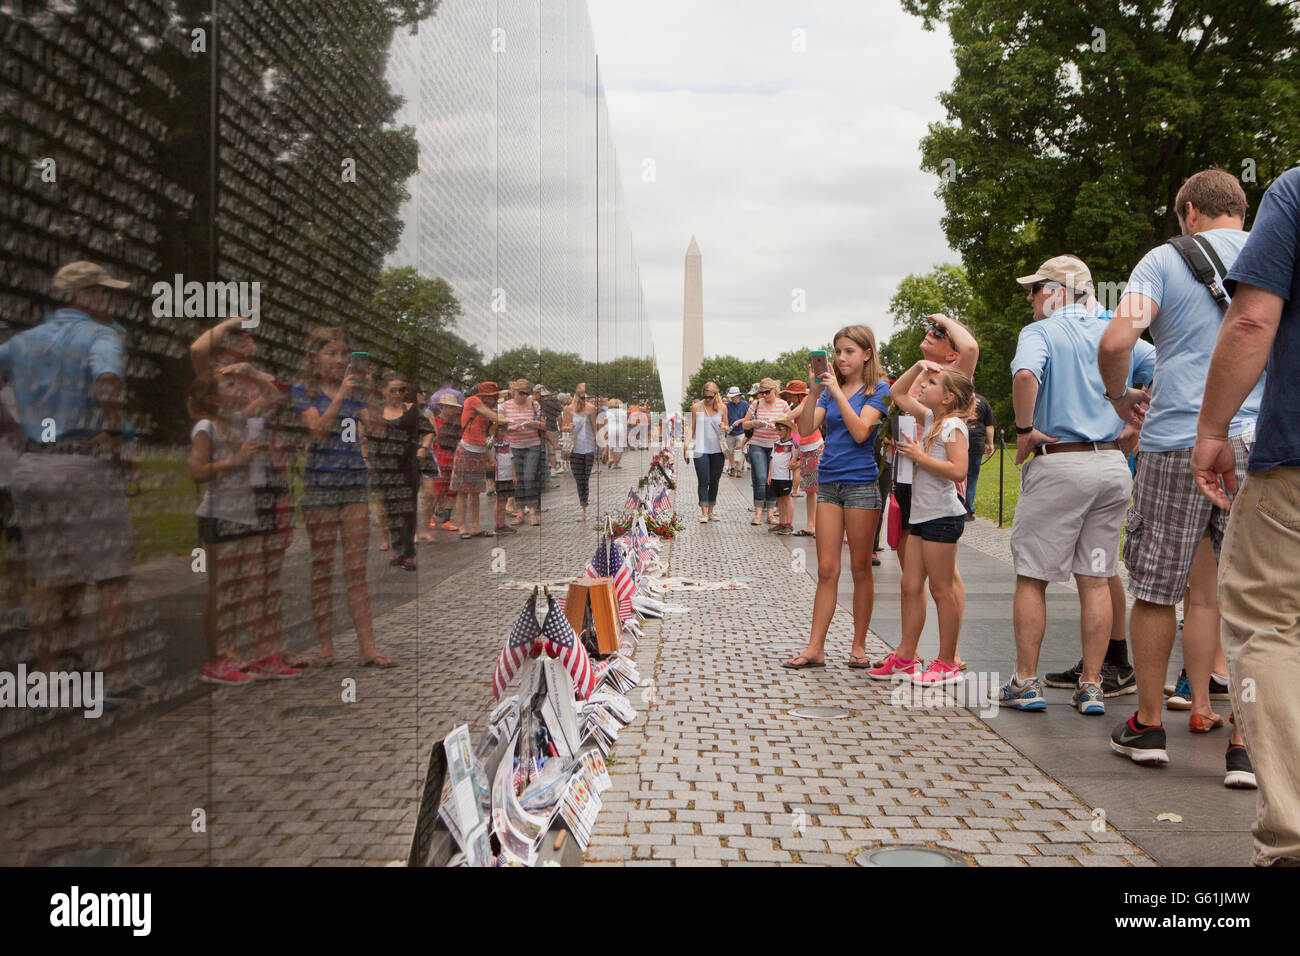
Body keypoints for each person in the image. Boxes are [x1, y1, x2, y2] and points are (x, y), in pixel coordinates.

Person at [1099, 169, 1259, 776]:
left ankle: (1147, 726)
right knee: (1252, 597)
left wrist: (1120, 398)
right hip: (1259, 444)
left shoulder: (1162, 262)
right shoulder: (1280, 252)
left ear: (1189, 212)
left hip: (1174, 442)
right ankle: (1246, 744)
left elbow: (1118, 341)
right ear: (1240, 211)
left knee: (1158, 588)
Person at [1192, 164, 1300, 864]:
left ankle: (1292, 829)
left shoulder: (1293, 191)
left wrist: (1212, 431)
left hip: (1294, 462)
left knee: (1267, 621)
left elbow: (1254, 316)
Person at [996, 256, 1150, 714]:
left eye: (1035, 288)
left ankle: (1025, 681)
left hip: (1060, 464)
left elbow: (1025, 375)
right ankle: (1091, 686)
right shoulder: (1110, 329)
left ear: (1057, 291)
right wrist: (1136, 421)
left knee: (1033, 576)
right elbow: (1162, 364)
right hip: (1110, 468)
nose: (1029, 297)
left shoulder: (1040, 332)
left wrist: (1024, 431)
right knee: (1098, 578)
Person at [1, 262, 135, 697]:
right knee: (111, 575)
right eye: (106, 292)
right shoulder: (100, 336)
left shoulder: (24, 341)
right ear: (84, 297)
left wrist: (10, 428)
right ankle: (115, 677)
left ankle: (48, 679)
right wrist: (114, 436)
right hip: (82, 462)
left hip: (32, 464)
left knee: (49, 577)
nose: (113, 301)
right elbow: (109, 379)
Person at [784, 326, 889, 669]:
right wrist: (814, 392)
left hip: (860, 484)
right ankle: (815, 647)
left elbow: (861, 431)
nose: (841, 358)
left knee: (860, 568)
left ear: (867, 354)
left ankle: (858, 647)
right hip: (828, 482)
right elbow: (804, 429)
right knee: (827, 569)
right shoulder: (829, 391)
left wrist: (837, 393)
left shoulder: (880, 390)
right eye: (837, 352)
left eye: (849, 351)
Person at [290, 326, 395, 667]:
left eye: (342, 355)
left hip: (353, 484)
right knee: (322, 567)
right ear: (314, 357)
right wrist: (340, 396)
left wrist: (368, 394)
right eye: (330, 354)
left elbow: (378, 429)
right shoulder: (303, 390)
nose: (338, 361)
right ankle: (325, 647)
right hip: (321, 485)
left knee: (355, 570)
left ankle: (368, 647)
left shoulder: (355, 393)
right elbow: (317, 430)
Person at [869, 361, 972, 685]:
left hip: (943, 517)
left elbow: (959, 470)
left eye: (932, 383)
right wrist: (917, 367)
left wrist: (919, 456)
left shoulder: (953, 425)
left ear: (948, 397)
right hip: (922, 517)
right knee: (910, 585)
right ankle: (904, 660)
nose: (924, 386)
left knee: (942, 590)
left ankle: (946, 663)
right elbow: (898, 393)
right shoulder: (930, 418)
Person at [370, 370, 424, 571]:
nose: (398, 393)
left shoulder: (412, 410)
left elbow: (429, 432)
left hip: (407, 463)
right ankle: (398, 551)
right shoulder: (375, 412)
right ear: (383, 391)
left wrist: (423, 448)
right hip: (385, 466)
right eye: (394, 390)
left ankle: (409, 553)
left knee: (408, 509)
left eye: (402, 390)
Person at [450, 381, 507, 538]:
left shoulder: (488, 408)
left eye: (494, 396)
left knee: (475, 492)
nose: (493, 399)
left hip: (479, 451)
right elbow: (491, 416)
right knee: (462, 491)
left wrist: (489, 457)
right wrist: (503, 418)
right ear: (483, 396)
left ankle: (475, 527)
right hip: (466, 449)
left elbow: (485, 437)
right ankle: (462, 528)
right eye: (491, 396)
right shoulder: (473, 401)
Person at [741, 378, 790, 526]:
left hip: (776, 446)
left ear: (774, 390)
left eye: (767, 392)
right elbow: (744, 423)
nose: (764, 395)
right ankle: (757, 514)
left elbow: (790, 424)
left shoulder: (783, 405)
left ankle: (770, 513)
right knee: (761, 478)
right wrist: (754, 423)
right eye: (761, 393)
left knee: (772, 480)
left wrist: (779, 426)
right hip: (757, 444)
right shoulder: (755, 404)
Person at [502, 379, 546, 527]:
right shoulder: (505, 406)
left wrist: (533, 424)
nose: (524, 396)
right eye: (521, 393)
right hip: (514, 445)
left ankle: (533, 513)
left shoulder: (534, 404)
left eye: (527, 393)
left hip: (532, 444)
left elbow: (544, 424)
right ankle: (520, 512)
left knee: (529, 478)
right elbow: (501, 427)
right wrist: (511, 427)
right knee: (519, 480)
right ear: (514, 391)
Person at [684, 381, 727, 522]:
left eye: (710, 397)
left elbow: (727, 427)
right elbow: (691, 427)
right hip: (700, 449)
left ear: (716, 395)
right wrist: (686, 445)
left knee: (715, 481)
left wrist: (724, 427)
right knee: (704, 480)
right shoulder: (696, 407)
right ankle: (703, 511)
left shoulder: (722, 408)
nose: (708, 399)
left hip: (717, 449)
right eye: (705, 396)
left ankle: (711, 510)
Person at [787, 381, 822, 536]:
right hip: (807, 448)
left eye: (791, 394)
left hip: (814, 447)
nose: (789, 397)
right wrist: (796, 456)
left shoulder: (807, 399)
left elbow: (794, 413)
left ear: (798, 394)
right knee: (810, 490)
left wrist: (781, 418)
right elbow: (801, 435)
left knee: (818, 490)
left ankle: (818, 526)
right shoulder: (802, 402)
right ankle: (811, 525)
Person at [563, 383, 599, 521]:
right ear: (577, 394)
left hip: (589, 448)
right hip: (575, 448)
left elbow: (595, 428)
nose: (585, 399)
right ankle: (582, 505)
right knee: (579, 478)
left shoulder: (591, 409)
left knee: (585, 477)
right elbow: (564, 427)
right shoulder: (568, 409)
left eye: (587, 397)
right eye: (582, 396)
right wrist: (568, 427)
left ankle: (584, 506)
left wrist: (600, 445)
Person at [429, 394, 462, 537]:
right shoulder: (434, 421)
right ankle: (429, 517)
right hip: (439, 459)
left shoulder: (457, 423)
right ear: (442, 407)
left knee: (451, 491)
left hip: (454, 460)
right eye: (448, 406)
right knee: (436, 491)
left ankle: (446, 520)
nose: (451, 410)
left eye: (453, 407)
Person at [964, 391, 996, 519]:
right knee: (972, 477)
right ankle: (968, 510)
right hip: (976, 443)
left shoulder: (953, 396)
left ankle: (957, 508)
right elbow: (989, 425)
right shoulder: (983, 400)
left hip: (958, 441)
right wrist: (990, 443)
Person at [766, 417, 797, 534]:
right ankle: (782, 522)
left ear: (788, 429)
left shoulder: (793, 444)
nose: (777, 432)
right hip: (775, 476)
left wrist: (794, 465)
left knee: (786, 499)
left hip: (785, 476)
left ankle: (789, 524)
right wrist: (769, 474)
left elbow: (798, 459)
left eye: (780, 429)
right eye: (776, 429)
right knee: (779, 499)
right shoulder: (777, 443)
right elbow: (772, 459)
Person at [724, 386, 749, 476]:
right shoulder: (728, 406)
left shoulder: (745, 404)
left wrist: (739, 421)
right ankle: (732, 467)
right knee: (730, 451)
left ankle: (739, 468)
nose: (731, 398)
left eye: (733, 396)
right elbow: (725, 417)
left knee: (740, 451)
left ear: (738, 396)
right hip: (730, 432)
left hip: (741, 431)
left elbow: (748, 417)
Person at [604, 398, 627, 468]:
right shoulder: (622, 411)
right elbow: (625, 422)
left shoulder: (608, 412)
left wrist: (605, 432)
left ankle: (611, 458)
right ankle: (616, 464)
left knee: (611, 446)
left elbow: (606, 422)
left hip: (611, 429)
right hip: (620, 429)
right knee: (619, 447)